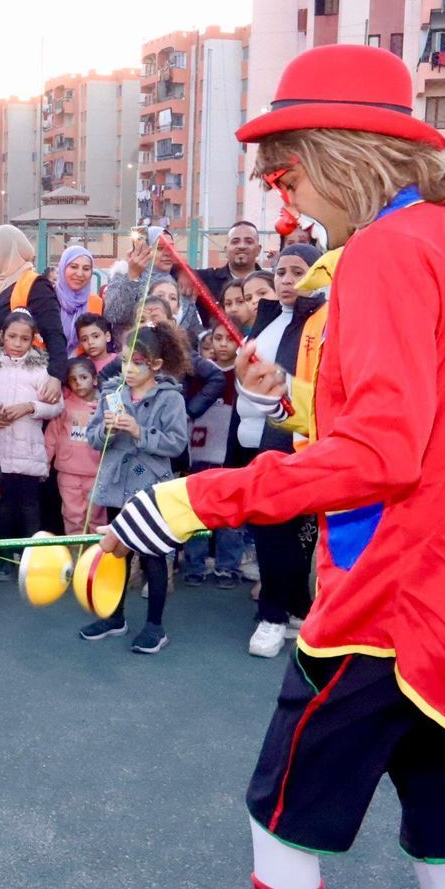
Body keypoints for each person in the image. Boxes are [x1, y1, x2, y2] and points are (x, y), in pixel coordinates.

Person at [97, 45, 445, 889]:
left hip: (398, 596)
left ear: (341, 156)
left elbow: (383, 454)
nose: (286, 200)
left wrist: (197, 497)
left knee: (282, 825)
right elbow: (442, 423)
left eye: (283, 175)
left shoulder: (386, 249)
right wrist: (304, 397)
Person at [77, 321, 190, 654]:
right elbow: (94, 438)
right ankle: (115, 616)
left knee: (153, 556)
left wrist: (140, 431)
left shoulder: (170, 398)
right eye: (125, 360)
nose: (128, 368)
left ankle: (155, 625)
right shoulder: (111, 394)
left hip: (152, 490)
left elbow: (177, 444)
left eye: (136, 362)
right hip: (117, 486)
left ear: (155, 365)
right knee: (116, 552)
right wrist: (109, 431)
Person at [236, 243, 324, 659]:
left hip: (302, 440)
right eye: (281, 271)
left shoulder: (326, 321)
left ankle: (282, 610)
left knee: (296, 534)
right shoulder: (267, 319)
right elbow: (249, 381)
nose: (287, 280)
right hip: (258, 442)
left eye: (298, 271)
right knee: (272, 531)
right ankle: (279, 611)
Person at [0, 312, 63, 575]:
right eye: (13, 336)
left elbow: (57, 406)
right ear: (3, 335)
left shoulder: (41, 371)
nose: (17, 343)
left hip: (29, 452)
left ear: (33, 340)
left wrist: (30, 407)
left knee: (30, 508)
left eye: (24, 338)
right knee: (2, 507)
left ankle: (33, 562)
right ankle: (4, 559)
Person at [0, 225, 70, 395]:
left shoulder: (36, 286)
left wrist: (56, 377)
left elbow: (54, 333)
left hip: (22, 385)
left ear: (3, 252)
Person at [184, 328, 244, 589]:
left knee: (230, 515)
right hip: (198, 454)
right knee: (196, 511)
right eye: (217, 339)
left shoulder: (241, 375)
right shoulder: (201, 374)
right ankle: (195, 565)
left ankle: (227, 567)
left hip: (229, 457)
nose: (222, 344)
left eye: (229, 339)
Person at [47, 355, 106, 538]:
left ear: (95, 379)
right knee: (73, 516)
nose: (78, 383)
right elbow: (51, 435)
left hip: (97, 472)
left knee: (97, 518)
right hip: (68, 471)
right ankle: (75, 557)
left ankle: (97, 559)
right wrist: (45, 463)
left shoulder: (105, 406)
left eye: (83, 377)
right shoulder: (63, 406)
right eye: (73, 379)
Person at [54, 245, 101, 353]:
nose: (80, 274)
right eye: (74, 267)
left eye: (86, 269)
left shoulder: (97, 303)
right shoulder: (46, 299)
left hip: (84, 367)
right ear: (62, 268)